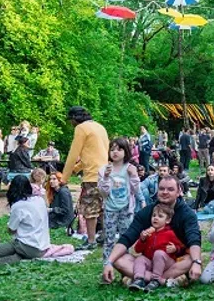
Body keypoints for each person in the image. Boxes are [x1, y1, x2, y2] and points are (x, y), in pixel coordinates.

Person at [103, 175, 202, 286]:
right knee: (118, 259)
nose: (165, 192)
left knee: (191, 259)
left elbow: (194, 239)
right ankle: (163, 281)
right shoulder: (147, 212)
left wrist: (196, 262)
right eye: (161, 189)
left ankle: (141, 278)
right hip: (149, 261)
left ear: (179, 192)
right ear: (157, 190)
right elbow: (127, 238)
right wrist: (109, 262)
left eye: (170, 189)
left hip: (174, 261)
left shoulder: (187, 214)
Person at [62, 106, 109, 250]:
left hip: (92, 176)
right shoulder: (100, 127)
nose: (71, 124)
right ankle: (105, 236)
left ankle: (91, 240)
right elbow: (96, 154)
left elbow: (73, 154)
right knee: (104, 207)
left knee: (90, 209)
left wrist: (64, 177)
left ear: (75, 119)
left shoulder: (81, 128)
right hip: (106, 174)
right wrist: (76, 169)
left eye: (71, 121)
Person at [0, 176, 50, 266]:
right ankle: (16, 258)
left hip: (26, 245)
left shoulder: (18, 206)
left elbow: (11, 230)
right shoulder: (40, 200)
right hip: (43, 247)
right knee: (17, 253)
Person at [99, 138, 140, 263]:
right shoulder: (104, 170)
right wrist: (105, 177)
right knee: (109, 239)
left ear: (126, 151)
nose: (115, 152)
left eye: (119, 149)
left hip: (126, 208)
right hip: (110, 209)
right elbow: (103, 191)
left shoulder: (130, 168)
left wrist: (134, 175)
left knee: (125, 239)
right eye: (112, 149)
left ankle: (125, 266)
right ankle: (107, 265)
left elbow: (136, 190)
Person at [129, 203, 186, 292]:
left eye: (160, 216)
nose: (155, 218)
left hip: (166, 263)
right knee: (140, 258)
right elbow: (137, 250)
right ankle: (139, 280)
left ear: (167, 220)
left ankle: (155, 280)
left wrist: (175, 249)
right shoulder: (148, 233)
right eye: (154, 215)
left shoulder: (170, 233)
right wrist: (142, 239)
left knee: (158, 253)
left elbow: (181, 247)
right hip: (151, 263)